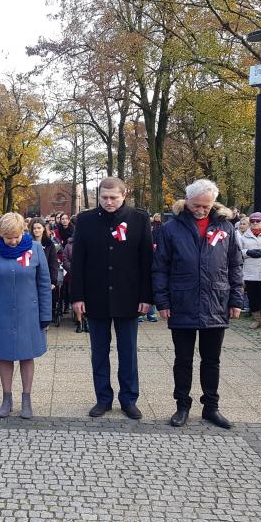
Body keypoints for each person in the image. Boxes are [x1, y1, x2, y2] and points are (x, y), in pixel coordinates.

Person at [152, 179, 243, 429]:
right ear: (187, 201)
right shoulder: (171, 229)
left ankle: (211, 407)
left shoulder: (225, 227)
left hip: (216, 301)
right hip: (182, 301)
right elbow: (160, 268)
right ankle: (182, 405)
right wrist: (162, 301)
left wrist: (236, 299)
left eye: (206, 205)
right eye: (196, 205)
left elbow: (235, 265)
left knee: (211, 360)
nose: (201, 210)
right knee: (183, 359)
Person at [69, 177, 154, 420]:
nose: (108, 202)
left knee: (128, 352)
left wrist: (146, 296)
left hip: (129, 296)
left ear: (123, 195)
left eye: (113, 198)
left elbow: (146, 260)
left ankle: (129, 399)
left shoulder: (139, 219)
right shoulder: (85, 220)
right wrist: (77, 296)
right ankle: (103, 398)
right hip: (95, 296)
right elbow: (79, 261)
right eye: (104, 198)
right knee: (99, 352)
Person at [0, 212, 52, 419]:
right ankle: (6, 398)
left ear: (23, 232)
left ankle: (26, 399)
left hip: (29, 313)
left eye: (16, 237)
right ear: (0, 234)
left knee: (27, 356)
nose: (12, 241)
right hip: (0, 313)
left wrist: (46, 314)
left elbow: (44, 284)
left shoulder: (36, 249)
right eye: (7, 237)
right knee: (5, 355)